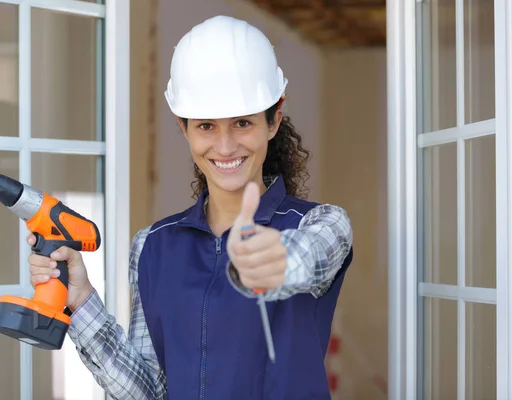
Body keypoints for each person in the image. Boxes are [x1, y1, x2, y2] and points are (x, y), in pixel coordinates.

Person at [27, 15, 353, 400]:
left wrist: (277, 258)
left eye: (243, 123)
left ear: (274, 119)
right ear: (184, 128)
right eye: (206, 126)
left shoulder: (320, 224)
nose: (226, 146)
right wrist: (80, 302)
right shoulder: (151, 246)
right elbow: (147, 391)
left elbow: (311, 256)